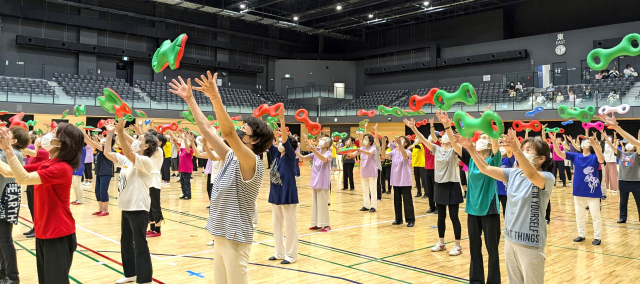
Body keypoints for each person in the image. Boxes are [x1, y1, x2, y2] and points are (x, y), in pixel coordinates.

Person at [170, 72, 274, 284]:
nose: (239, 129)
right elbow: (207, 130)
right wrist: (190, 99)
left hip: (236, 238)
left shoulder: (251, 160)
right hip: (220, 234)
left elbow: (227, 133)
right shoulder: (231, 157)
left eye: (244, 128)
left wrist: (215, 96)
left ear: (253, 139)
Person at [465, 131, 554, 284]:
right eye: (523, 149)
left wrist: (518, 151)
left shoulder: (547, 177)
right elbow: (485, 168)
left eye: (528, 150)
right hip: (510, 241)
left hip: (531, 244)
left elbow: (532, 176)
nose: (524, 152)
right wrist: (470, 148)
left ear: (541, 159)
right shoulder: (513, 173)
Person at [0, 123, 83, 284]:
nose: (47, 135)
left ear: (62, 142)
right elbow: (11, 172)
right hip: (44, 231)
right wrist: (5, 149)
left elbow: (23, 179)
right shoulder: (47, 163)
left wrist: (9, 149)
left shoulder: (62, 168)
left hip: (58, 233)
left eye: (53, 133)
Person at [101, 120, 156, 284]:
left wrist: (121, 133)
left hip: (138, 207)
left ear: (146, 146)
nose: (136, 140)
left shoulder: (146, 161)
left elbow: (130, 154)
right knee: (126, 243)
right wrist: (111, 132)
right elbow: (107, 153)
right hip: (126, 207)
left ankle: (145, 278)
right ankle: (131, 273)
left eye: (140, 139)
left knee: (140, 244)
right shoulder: (126, 160)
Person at [407, 111, 463, 255]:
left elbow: (453, 139)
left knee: (454, 216)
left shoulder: (455, 150)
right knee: (441, 216)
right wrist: (414, 128)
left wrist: (447, 126)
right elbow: (423, 140)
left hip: (452, 185)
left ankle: (457, 245)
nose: (444, 137)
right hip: (440, 185)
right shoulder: (436, 149)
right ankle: (442, 242)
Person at [550, 132, 604, 245]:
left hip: (592, 191)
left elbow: (601, 159)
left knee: (595, 215)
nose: (585, 141)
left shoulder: (594, 157)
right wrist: (554, 142)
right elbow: (560, 153)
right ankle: (581, 234)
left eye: (588, 141)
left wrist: (595, 145)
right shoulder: (576, 156)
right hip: (578, 190)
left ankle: (597, 237)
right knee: (579, 215)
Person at [266, 111, 299, 264]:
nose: (279, 143)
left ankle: (291, 255)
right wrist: (271, 127)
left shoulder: (290, 155)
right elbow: (271, 140)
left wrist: (282, 121)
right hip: (276, 192)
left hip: (288, 192)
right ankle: (279, 252)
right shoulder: (276, 154)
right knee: (276, 223)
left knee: (290, 225)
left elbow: (284, 139)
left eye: (282, 142)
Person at [0, 126, 29, 284]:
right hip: (4, 196)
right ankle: (4, 272)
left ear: (14, 140)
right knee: (2, 238)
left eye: (7, 134)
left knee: (5, 238)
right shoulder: (8, 153)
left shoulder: (13, 154)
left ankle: (12, 276)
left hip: (7, 197)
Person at [599, 114, 640, 223]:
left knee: (639, 202)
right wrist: (606, 138)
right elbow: (613, 147)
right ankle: (622, 218)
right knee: (622, 202)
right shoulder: (621, 153)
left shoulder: (636, 154)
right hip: (623, 181)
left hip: (636, 181)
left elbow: (638, 145)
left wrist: (638, 139)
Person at [298, 136, 333, 232]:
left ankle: (326, 225)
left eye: (324, 140)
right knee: (315, 204)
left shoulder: (329, 153)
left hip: (323, 182)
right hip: (315, 181)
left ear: (327, 144)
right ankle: (317, 224)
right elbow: (304, 158)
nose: (321, 141)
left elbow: (324, 159)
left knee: (323, 204)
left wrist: (315, 151)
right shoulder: (316, 152)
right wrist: (294, 151)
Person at [20, 135, 50, 238]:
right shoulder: (35, 152)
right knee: (31, 205)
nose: (38, 139)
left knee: (36, 207)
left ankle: (38, 229)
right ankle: (35, 226)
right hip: (31, 181)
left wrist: (12, 145)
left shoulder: (44, 152)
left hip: (37, 182)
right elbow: (25, 154)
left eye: (41, 139)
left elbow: (28, 152)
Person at [382, 136, 414, 227]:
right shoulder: (394, 152)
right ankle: (398, 219)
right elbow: (384, 156)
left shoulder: (407, 151)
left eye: (402, 139)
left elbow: (405, 156)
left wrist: (400, 145)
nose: (399, 140)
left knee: (407, 201)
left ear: (406, 143)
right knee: (397, 201)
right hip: (396, 180)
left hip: (405, 180)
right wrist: (383, 145)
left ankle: (410, 220)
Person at [84, 129, 114, 217]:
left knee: (103, 191)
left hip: (105, 173)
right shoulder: (101, 150)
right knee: (98, 191)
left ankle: (106, 210)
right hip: (99, 172)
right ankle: (101, 209)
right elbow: (94, 144)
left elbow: (95, 144)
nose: (103, 143)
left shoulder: (108, 150)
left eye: (105, 142)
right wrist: (84, 136)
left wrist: (85, 135)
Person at [351, 133, 378, 212]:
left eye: (366, 139)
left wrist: (361, 150)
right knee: (365, 189)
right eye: (364, 139)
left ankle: (373, 206)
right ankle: (366, 205)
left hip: (372, 172)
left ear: (370, 141)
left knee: (373, 190)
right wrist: (346, 153)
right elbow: (354, 154)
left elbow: (369, 153)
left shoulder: (373, 148)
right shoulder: (361, 148)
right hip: (364, 172)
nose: (364, 140)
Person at [424, 118, 440, 212]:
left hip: (435, 169)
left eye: (431, 136)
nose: (429, 137)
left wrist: (431, 126)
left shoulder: (437, 144)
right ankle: (431, 207)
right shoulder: (425, 145)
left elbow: (434, 136)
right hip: (427, 169)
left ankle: (438, 207)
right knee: (429, 189)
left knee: (436, 189)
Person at [498, 146, 515, 214]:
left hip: (506, 191)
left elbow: (509, 152)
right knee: (495, 213)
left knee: (506, 212)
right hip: (495, 191)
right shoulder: (495, 159)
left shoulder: (509, 160)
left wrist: (506, 145)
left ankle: (508, 224)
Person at [177, 134, 194, 200]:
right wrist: (175, 142)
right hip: (181, 168)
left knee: (186, 182)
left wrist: (185, 141)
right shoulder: (183, 150)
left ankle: (188, 195)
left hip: (187, 168)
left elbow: (188, 149)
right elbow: (178, 148)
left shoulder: (191, 150)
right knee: (182, 182)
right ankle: (184, 194)